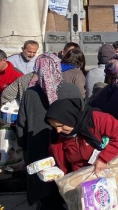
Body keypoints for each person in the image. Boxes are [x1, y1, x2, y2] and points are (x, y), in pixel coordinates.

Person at [16, 54, 82, 209]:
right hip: (68, 149)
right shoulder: (72, 90)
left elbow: (22, 127)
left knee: (46, 199)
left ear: (38, 69)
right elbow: (82, 117)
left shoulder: (30, 94)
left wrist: (24, 146)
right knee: (71, 196)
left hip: (40, 154)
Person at [46, 98, 118, 175]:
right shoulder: (58, 137)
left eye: (60, 125)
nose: (58, 130)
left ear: (69, 118)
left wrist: (103, 159)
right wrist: (54, 172)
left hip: (109, 172)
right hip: (81, 179)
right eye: (54, 127)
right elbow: (59, 161)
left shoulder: (95, 119)